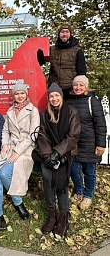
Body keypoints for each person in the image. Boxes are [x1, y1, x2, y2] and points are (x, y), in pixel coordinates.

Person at [0, 81, 40, 237]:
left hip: (25, 150)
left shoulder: (32, 111)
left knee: (3, 174)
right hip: (10, 149)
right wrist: (5, 145)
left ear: (26, 94)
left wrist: (17, 151)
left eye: (22, 93)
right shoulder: (10, 111)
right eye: (17, 93)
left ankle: (18, 203)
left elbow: (33, 135)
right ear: (14, 96)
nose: (20, 96)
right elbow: (5, 131)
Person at [37, 82, 81, 238]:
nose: (54, 99)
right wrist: (49, 155)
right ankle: (52, 214)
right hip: (49, 155)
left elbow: (73, 137)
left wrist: (58, 153)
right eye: (51, 96)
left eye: (57, 95)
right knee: (48, 179)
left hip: (66, 153)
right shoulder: (44, 115)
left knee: (61, 182)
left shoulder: (71, 113)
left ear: (61, 97)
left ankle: (63, 217)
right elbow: (42, 135)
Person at [67, 76, 106, 210]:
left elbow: (100, 124)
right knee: (74, 170)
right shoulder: (69, 101)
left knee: (89, 172)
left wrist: (101, 144)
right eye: (75, 85)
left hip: (89, 142)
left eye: (81, 85)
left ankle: (88, 196)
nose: (78, 87)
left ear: (86, 87)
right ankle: (79, 191)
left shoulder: (92, 101)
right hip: (74, 143)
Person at [39, 24, 87, 99]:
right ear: (59, 34)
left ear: (70, 34)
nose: (64, 34)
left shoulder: (77, 51)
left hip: (71, 90)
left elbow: (82, 72)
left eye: (67, 32)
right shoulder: (51, 50)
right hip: (55, 89)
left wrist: (79, 88)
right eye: (62, 32)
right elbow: (38, 62)